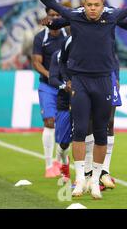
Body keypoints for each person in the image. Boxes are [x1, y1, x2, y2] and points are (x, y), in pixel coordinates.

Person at [13, 0, 127, 199]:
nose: (93, 9)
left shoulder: (111, 16)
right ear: (83, 6)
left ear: (102, 6)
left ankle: (96, 180)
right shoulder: (74, 16)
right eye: (89, 5)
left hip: (104, 82)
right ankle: (80, 181)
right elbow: (50, 0)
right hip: (80, 82)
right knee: (79, 132)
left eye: (97, 5)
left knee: (100, 132)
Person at [32, 8, 68, 178]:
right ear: (47, 17)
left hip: (66, 87)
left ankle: (60, 162)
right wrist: (52, 76)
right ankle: (48, 166)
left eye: (57, 15)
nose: (54, 18)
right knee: (49, 122)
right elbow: (36, 62)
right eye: (51, 15)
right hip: (47, 86)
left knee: (64, 126)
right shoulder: (40, 37)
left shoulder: (67, 35)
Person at [48, 44, 72, 181]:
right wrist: (64, 86)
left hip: (84, 100)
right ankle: (64, 163)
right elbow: (52, 78)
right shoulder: (58, 54)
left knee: (88, 139)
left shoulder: (88, 49)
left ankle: (87, 177)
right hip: (65, 103)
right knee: (64, 143)